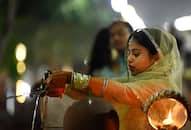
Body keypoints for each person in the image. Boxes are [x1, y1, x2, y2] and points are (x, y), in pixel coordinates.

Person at [33, 28, 182, 130]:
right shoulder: (135, 81)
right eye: (129, 52)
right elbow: (97, 93)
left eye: (136, 54)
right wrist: (65, 87)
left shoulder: (162, 87)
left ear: (156, 57)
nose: (129, 59)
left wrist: (72, 78)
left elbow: (119, 91)